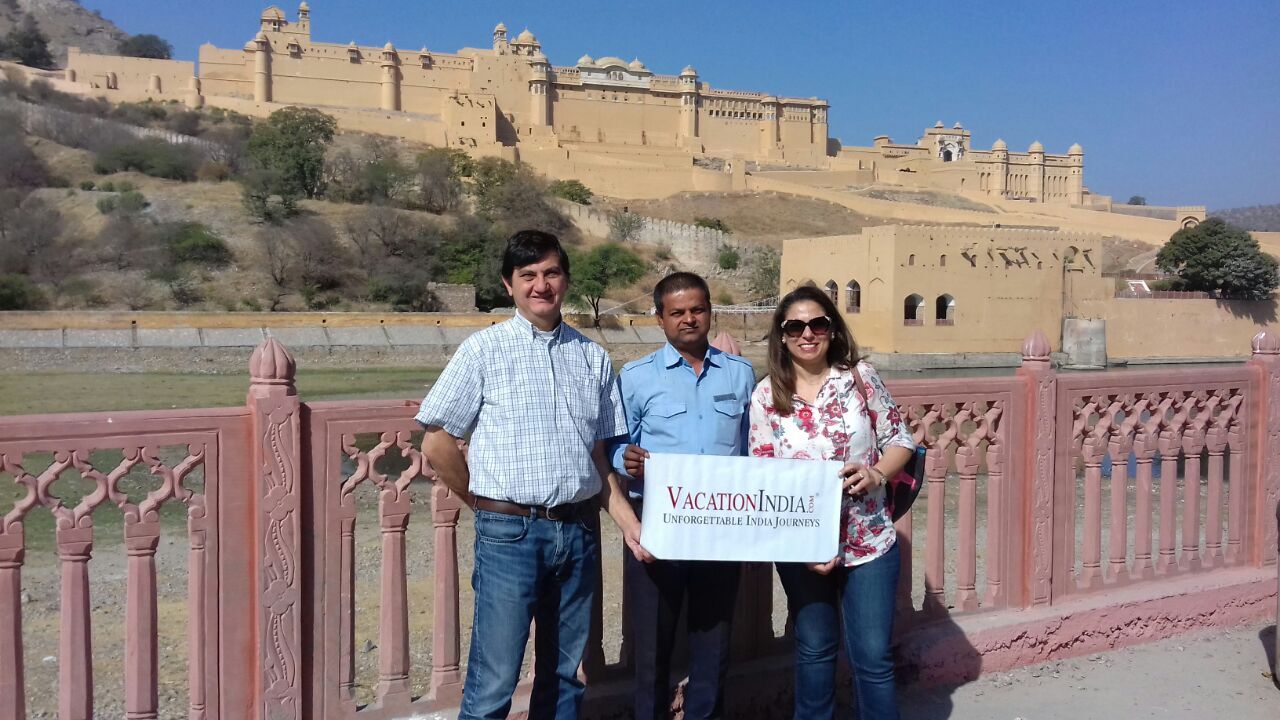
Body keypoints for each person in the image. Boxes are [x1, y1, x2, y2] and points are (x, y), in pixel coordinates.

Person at [416, 229, 652, 720]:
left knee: (566, 677)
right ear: (509, 285)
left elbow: (597, 457)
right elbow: (437, 442)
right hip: (510, 535)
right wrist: (481, 504)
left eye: (551, 273)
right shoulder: (484, 350)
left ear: (565, 280)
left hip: (579, 533)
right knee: (494, 681)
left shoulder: (590, 357)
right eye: (528, 276)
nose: (540, 285)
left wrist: (631, 527)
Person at [747, 284, 915, 720]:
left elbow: (900, 440)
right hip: (802, 548)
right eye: (796, 326)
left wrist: (877, 472)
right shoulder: (767, 396)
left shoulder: (859, 378)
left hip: (869, 542)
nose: (808, 333)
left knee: (873, 660)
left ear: (832, 329)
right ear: (782, 336)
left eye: (818, 323)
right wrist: (801, 547)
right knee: (815, 651)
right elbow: (763, 475)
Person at [612, 272, 755, 720]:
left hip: (720, 528)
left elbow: (755, 449)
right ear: (659, 318)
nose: (689, 319)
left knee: (713, 647)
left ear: (710, 312)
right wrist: (626, 459)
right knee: (652, 648)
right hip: (658, 527)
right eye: (677, 312)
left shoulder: (741, 374)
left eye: (697, 309)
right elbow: (615, 446)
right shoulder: (634, 378)